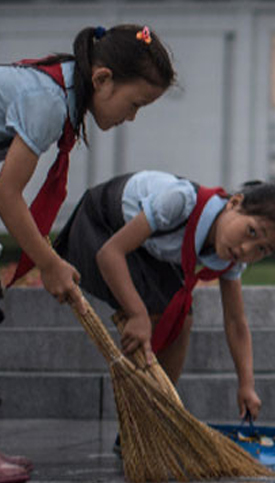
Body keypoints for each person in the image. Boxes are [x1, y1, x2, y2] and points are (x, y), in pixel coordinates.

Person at [0, 25, 174, 480]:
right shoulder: (46, 101)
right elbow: (8, 194)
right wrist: (50, 263)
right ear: (102, 80)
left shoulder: (56, 90)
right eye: (134, 104)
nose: (131, 118)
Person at [54, 172, 275, 430]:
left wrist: (246, 385)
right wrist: (136, 314)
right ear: (234, 203)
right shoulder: (180, 200)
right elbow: (110, 253)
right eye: (251, 231)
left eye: (262, 249)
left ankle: (153, 422)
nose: (246, 249)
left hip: (143, 249)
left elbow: (235, 321)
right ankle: (137, 424)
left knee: (179, 317)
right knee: (151, 312)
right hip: (100, 224)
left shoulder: (231, 257)